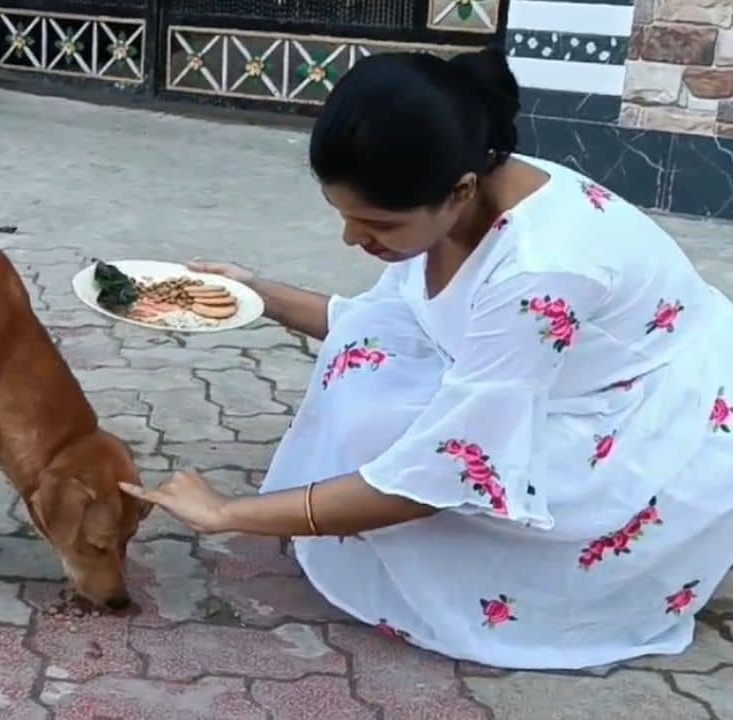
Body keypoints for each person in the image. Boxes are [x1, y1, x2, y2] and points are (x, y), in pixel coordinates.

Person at [120, 47, 733, 670]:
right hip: (559, 375)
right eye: (343, 215)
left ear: (459, 192)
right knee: (362, 376)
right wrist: (256, 293)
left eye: (375, 223)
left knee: (398, 433)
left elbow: (452, 474)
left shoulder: (540, 271)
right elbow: (389, 325)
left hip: (647, 424)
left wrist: (230, 514)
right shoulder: (461, 180)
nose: (353, 240)